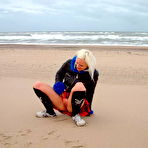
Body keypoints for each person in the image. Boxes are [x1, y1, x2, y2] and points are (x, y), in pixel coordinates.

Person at [33, 49, 99, 126]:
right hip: (62, 99)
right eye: (77, 63)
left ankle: (75, 115)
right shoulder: (69, 63)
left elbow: (90, 92)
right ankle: (50, 112)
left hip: (76, 103)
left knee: (79, 85)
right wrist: (58, 83)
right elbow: (59, 74)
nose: (77, 66)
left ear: (88, 65)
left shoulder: (93, 74)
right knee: (37, 85)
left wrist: (88, 109)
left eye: (81, 65)